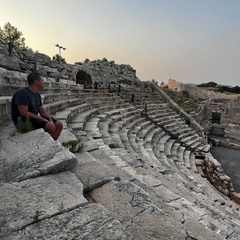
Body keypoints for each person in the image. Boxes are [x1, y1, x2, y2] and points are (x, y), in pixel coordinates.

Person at [11, 72, 63, 140]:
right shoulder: (23, 93)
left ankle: (53, 141)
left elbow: (41, 110)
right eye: (41, 80)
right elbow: (24, 113)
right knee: (50, 126)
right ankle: (47, 145)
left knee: (59, 124)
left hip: (34, 119)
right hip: (24, 121)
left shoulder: (37, 95)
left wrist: (49, 119)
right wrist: (42, 119)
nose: (43, 82)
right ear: (36, 82)